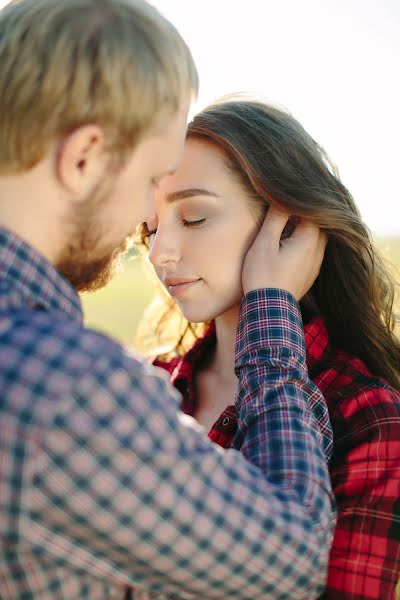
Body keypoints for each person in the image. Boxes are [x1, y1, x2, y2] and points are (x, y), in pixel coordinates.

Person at [0, 1, 335, 599]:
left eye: (195, 214)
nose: (149, 241)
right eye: (152, 182)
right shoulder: (64, 386)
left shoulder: (369, 411)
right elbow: (292, 560)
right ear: (83, 159)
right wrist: (271, 314)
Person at [138, 98, 400, 599]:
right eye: (150, 227)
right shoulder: (149, 387)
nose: (159, 252)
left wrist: (268, 301)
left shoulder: (368, 415)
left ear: (290, 226)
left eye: (193, 218)